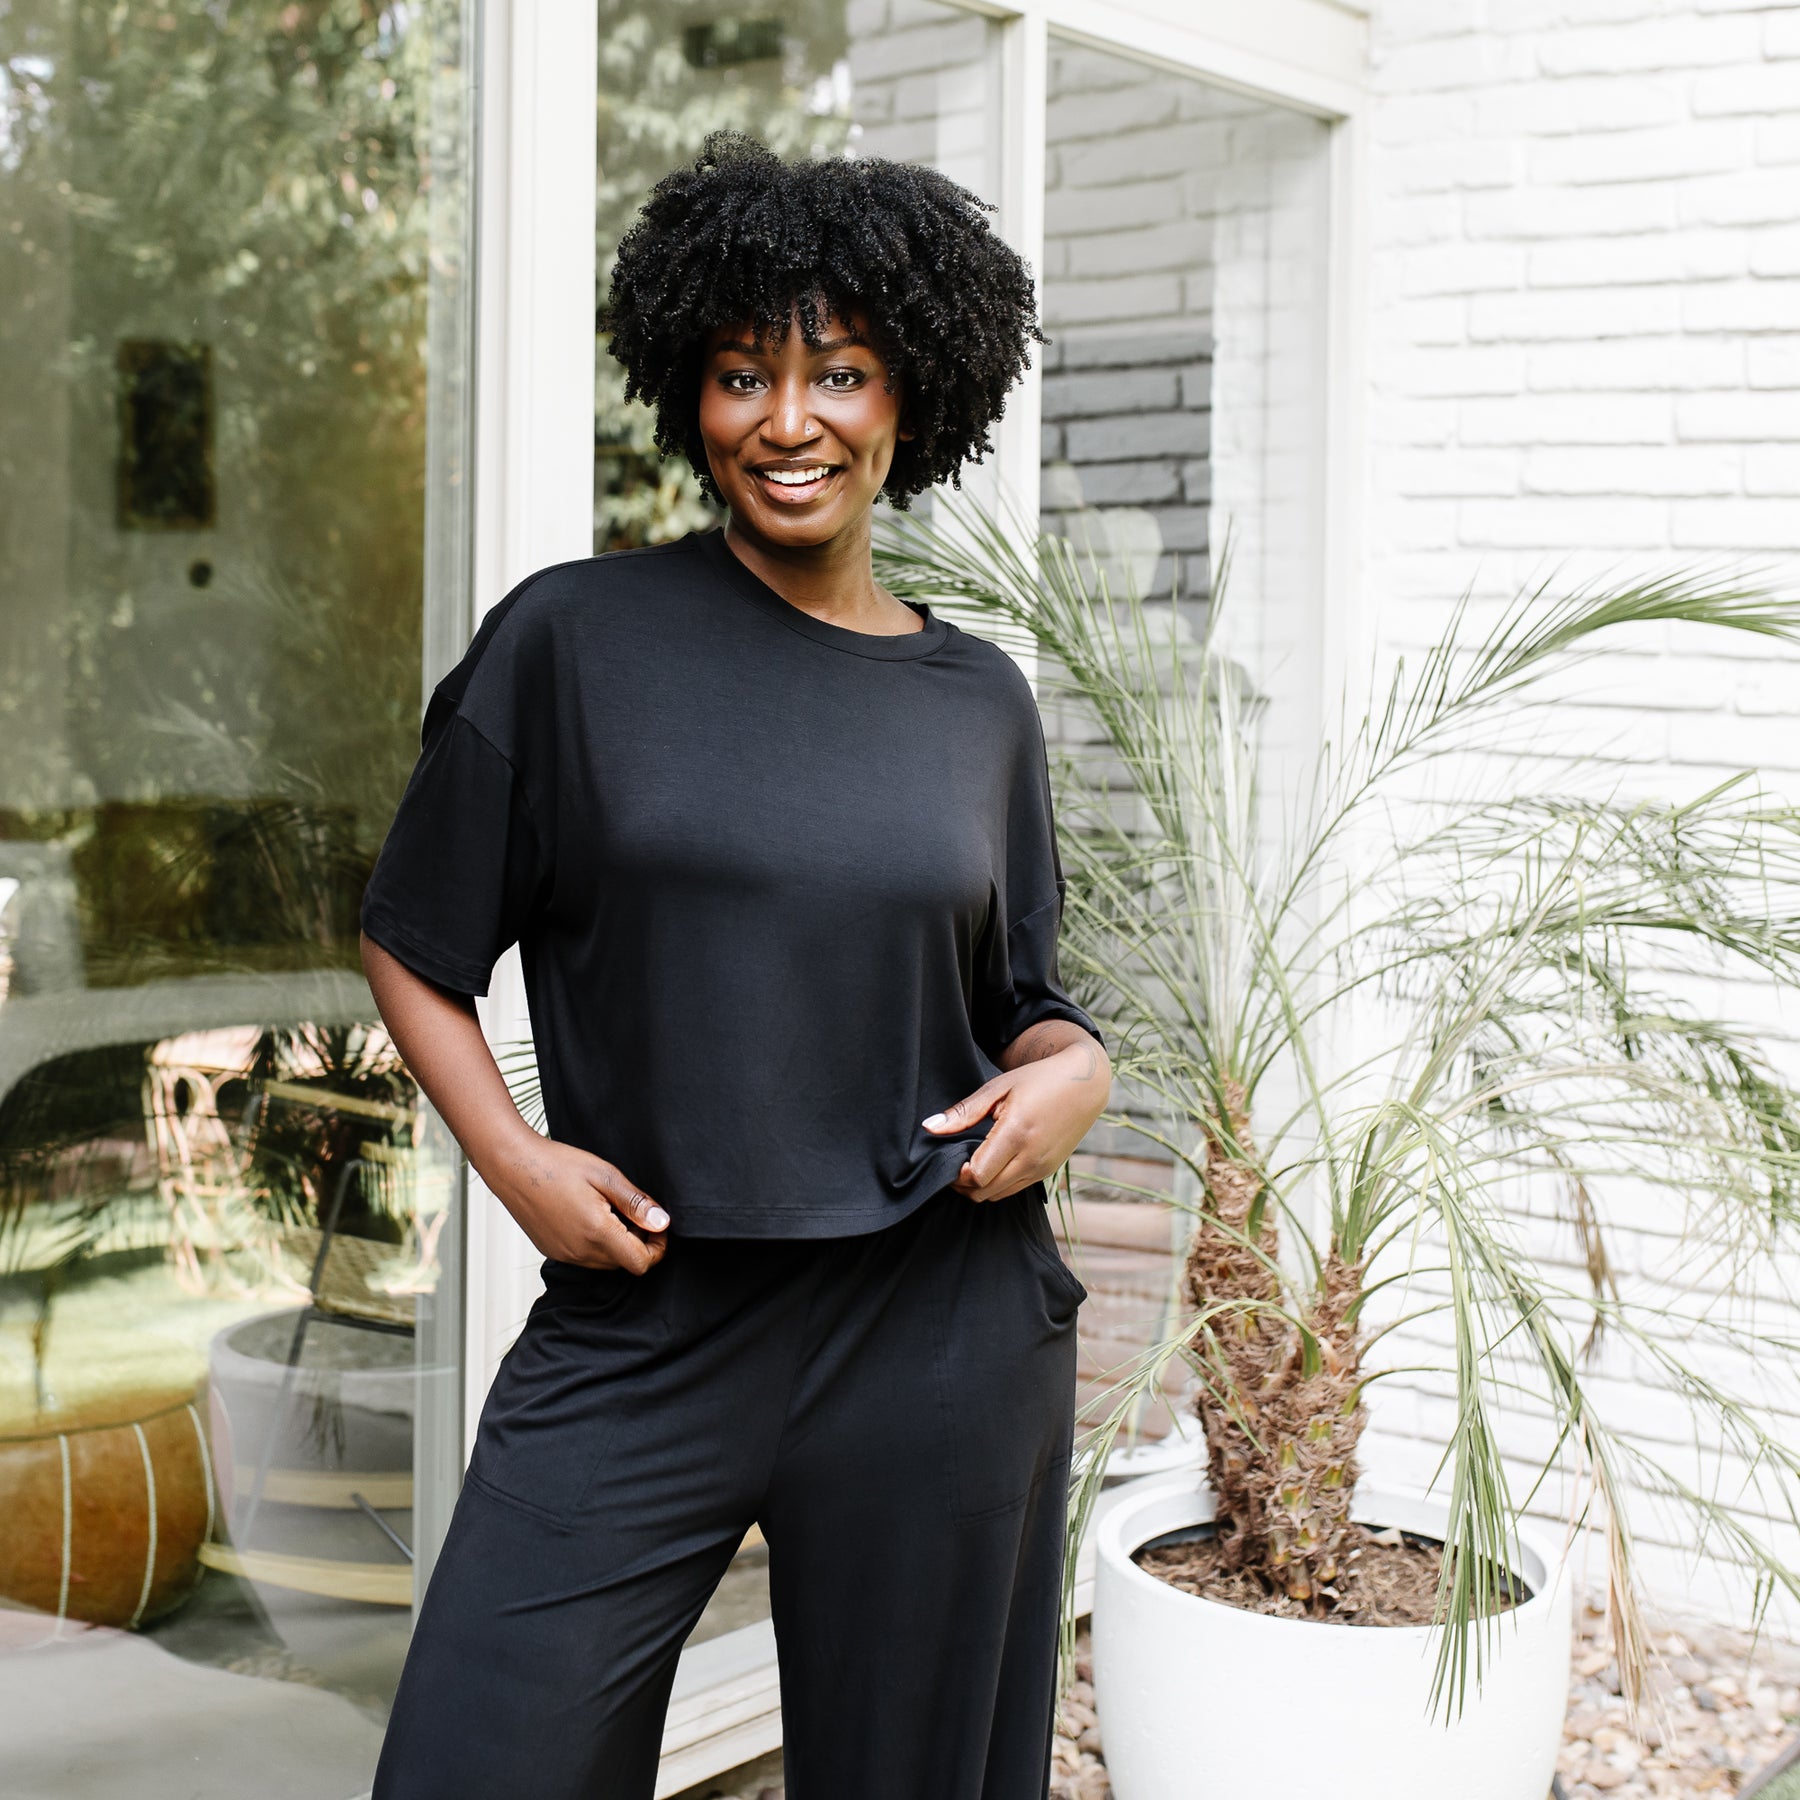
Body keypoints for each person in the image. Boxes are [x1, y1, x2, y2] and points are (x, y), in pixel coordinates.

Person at [360, 132, 1112, 1800]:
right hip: (648, 1318)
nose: (789, 421)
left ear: (910, 396)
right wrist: (517, 1162)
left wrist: (1082, 1077)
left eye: (838, 373)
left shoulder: (976, 699)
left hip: (940, 1322)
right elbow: (410, 939)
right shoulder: (573, 640)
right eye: (740, 373)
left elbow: (1032, 1005)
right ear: (686, 389)